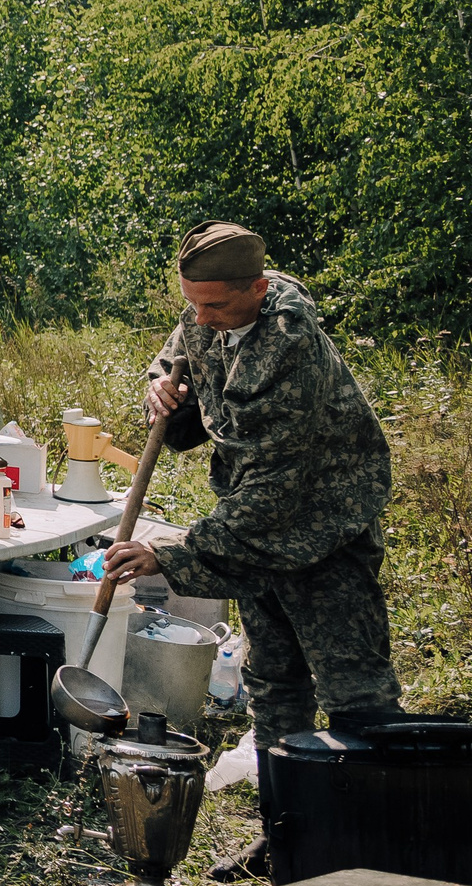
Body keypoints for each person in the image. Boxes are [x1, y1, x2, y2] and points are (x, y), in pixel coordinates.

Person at [104, 222, 405, 794]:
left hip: (323, 526)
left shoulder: (289, 348)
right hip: (253, 528)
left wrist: (171, 553)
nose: (198, 319)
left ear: (258, 289)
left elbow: (272, 491)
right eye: (191, 303)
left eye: (213, 306)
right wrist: (161, 392)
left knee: (355, 691)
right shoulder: (208, 309)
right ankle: (286, 818)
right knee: (272, 681)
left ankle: (378, 822)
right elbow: (175, 364)